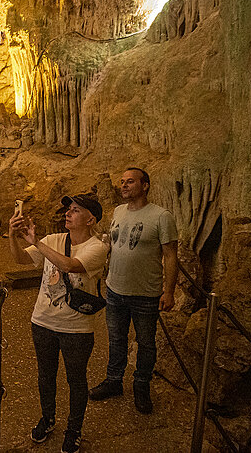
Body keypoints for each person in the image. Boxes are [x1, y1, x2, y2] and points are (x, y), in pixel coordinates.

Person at [9, 194, 109, 453]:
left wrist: (37, 243)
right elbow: (20, 259)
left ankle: (74, 430)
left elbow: (69, 265)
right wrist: (13, 235)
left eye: (76, 210)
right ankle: (48, 418)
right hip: (42, 321)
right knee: (45, 376)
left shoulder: (97, 248)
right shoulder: (54, 240)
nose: (68, 213)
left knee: (76, 380)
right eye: (68, 209)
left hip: (76, 328)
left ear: (91, 219)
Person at [89, 167, 178, 414]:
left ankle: (141, 386)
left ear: (145, 185)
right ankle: (114, 380)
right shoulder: (118, 211)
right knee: (116, 339)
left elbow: (171, 256)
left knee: (146, 343)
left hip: (146, 294)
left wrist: (168, 291)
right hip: (115, 290)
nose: (124, 186)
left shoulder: (161, 216)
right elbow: (114, 242)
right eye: (122, 182)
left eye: (130, 182)